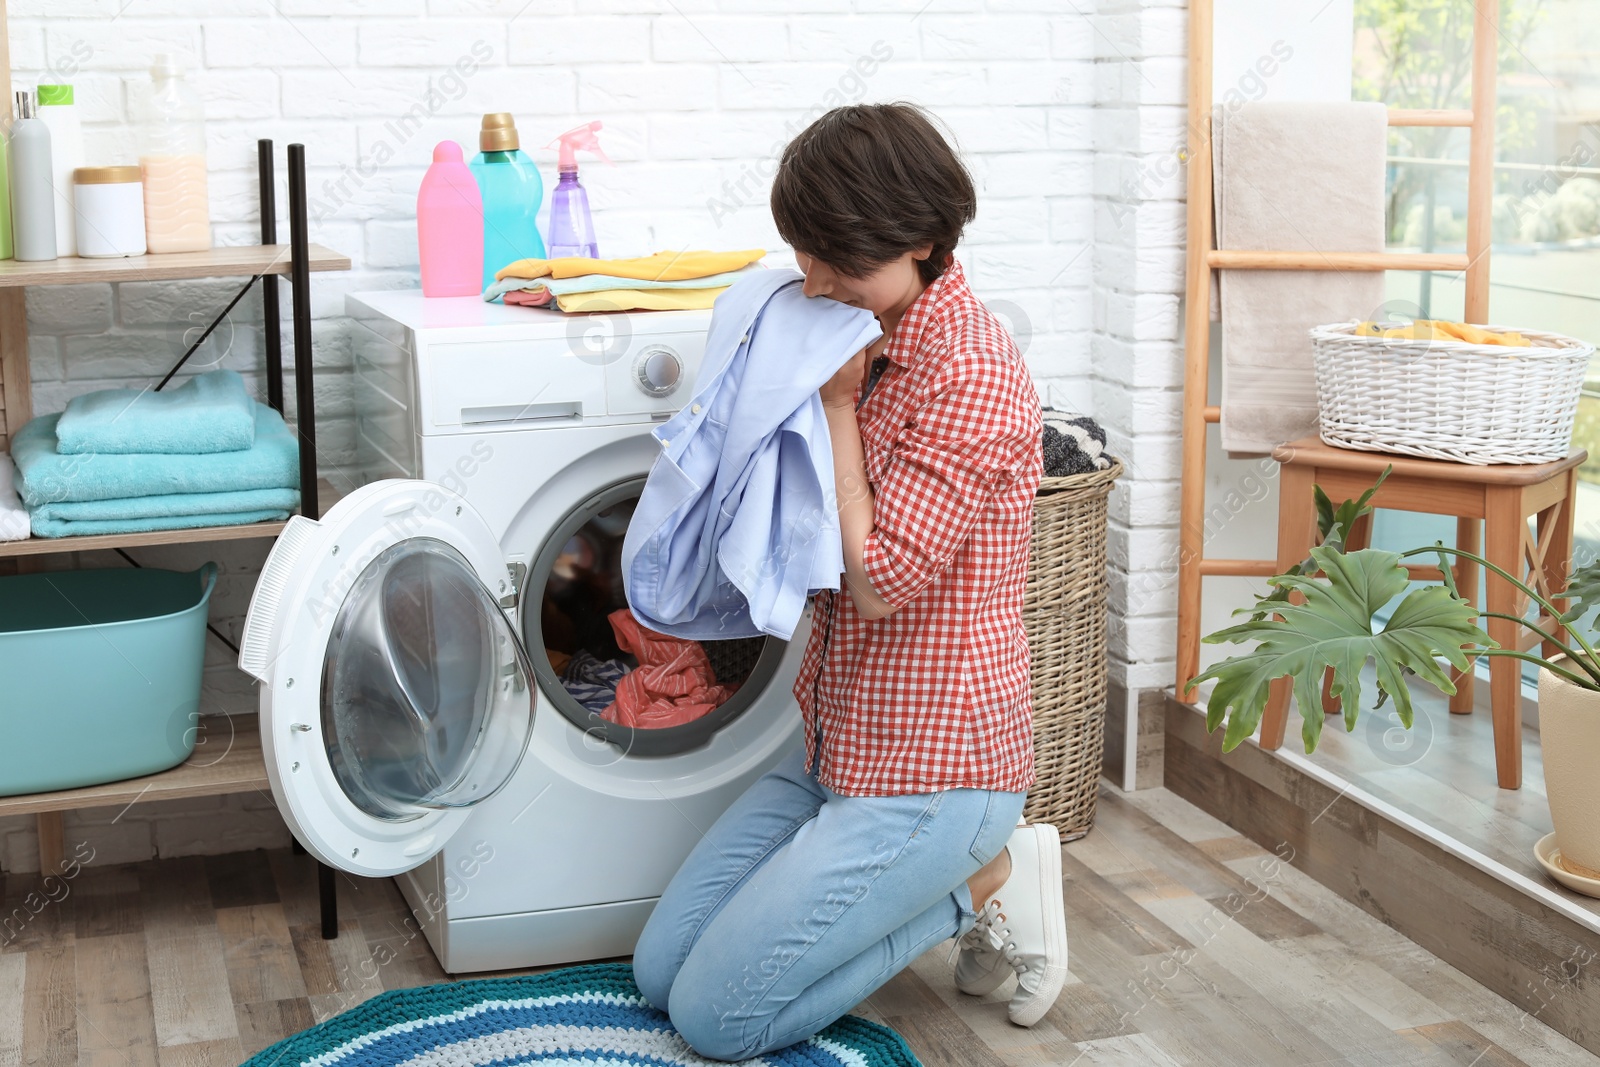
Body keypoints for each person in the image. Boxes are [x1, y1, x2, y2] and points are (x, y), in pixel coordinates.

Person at [632, 102, 1065, 1060]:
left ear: (920, 242)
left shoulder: (975, 379)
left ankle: (984, 877)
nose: (814, 279)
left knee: (715, 1018)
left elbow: (876, 584)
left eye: (838, 258)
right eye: (804, 252)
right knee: (658, 974)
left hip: (937, 776)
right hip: (839, 750)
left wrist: (832, 404)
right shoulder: (850, 322)